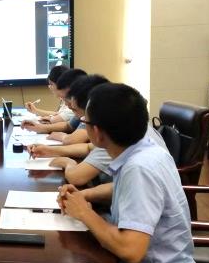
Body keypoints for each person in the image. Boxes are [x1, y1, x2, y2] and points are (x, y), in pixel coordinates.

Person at [58, 83, 196, 263]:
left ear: (97, 132)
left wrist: (85, 213)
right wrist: (85, 196)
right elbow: (127, 191)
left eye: (85, 122)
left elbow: (131, 250)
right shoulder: (146, 151)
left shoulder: (139, 169)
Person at [30, 74, 165, 186]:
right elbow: (89, 148)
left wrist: (67, 162)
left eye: (84, 120)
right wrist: (50, 150)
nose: (81, 121)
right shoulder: (130, 125)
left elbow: (77, 177)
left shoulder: (115, 137)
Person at [21, 68, 88, 145]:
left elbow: (74, 141)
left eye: (67, 99)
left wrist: (63, 137)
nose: (67, 105)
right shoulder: (81, 109)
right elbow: (69, 125)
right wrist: (38, 127)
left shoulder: (91, 111)